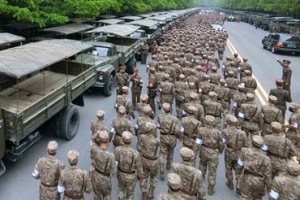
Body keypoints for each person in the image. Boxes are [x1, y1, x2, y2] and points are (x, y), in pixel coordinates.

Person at [238, 135, 272, 200]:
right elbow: (268, 176)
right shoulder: (266, 159)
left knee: (244, 197)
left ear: (252, 143)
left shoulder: (244, 151)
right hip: (259, 181)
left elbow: (240, 164)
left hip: (246, 178)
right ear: (262, 146)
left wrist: (238, 175)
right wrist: (269, 188)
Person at [197, 115, 225, 195]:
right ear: (213, 123)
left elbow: (198, 141)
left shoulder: (201, 130)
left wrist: (196, 151)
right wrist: (220, 150)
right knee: (212, 171)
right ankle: (210, 189)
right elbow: (221, 144)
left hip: (203, 150)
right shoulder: (218, 132)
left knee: (202, 166)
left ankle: (200, 185)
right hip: (214, 152)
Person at [114, 131, 145, 200]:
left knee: (121, 190)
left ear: (122, 139)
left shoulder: (117, 149)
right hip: (131, 176)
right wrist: (142, 178)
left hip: (121, 173)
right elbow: (139, 168)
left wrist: (114, 172)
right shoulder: (135, 153)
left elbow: (115, 161)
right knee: (130, 193)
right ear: (131, 141)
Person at [223, 115, 248, 194]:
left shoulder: (225, 131)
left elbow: (222, 142)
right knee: (239, 170)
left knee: (228, 168)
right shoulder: (243, 133)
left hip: (229, 152)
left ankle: (230, 183)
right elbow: (246, 145)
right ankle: (238, 185)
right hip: (239, 153)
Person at [157, 103, 181, 180]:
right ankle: (168, 164)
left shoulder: (160, 117)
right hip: (172, 137)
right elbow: (177, 130)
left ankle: (161, 167)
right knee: (171, 151)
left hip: (163, 136)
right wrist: (179, 137)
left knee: (162, 152)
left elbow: (158, 126)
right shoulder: (175, 119)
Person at [90, 130, 116, 200]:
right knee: (106, 196)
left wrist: (97, 133)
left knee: (97, 195)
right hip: (105, 178)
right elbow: (113, 172)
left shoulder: (94, 149)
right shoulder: (111, 156)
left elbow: (92, 140)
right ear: (108, 141)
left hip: (95, 175)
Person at [139, 122, 160, 200]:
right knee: (154, 176)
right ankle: (151, 192)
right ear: (152, 130)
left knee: (144, 176)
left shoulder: (142, 137)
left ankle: (144, 192)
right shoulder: (157, 141)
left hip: (144, 160)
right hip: (154, 161)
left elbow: (139, 147)